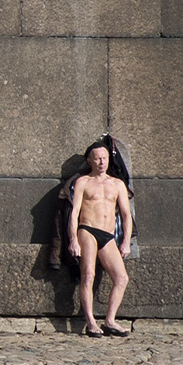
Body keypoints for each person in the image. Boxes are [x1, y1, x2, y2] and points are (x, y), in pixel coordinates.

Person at [67, 141, 132, 337]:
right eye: (97, 158)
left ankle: (110, 320)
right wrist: (73, 239)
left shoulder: (117, 184)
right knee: (88, 275)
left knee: (121, 278)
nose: (102, 162)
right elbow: (74, 212)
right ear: (90, 160)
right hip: (87, 230)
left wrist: (126, 241)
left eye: (104, 157)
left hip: (108, 234)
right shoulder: (83, 182)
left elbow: (126, 214)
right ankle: (91, 322)